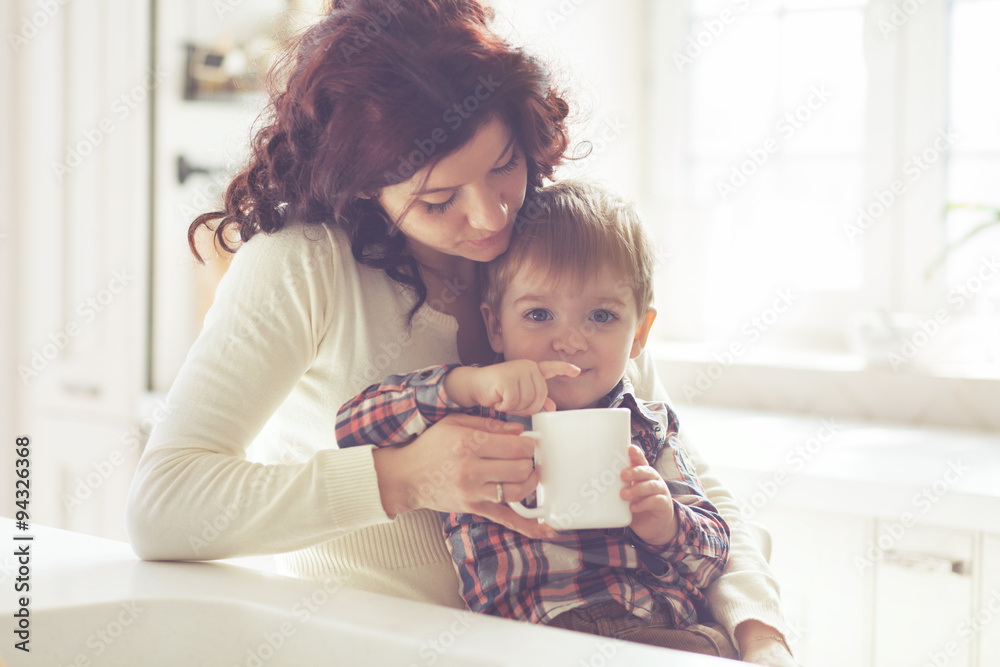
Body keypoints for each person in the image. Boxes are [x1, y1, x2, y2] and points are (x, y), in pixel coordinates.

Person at [125, 1, 795, 664]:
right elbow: (165, 504)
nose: (491, 215)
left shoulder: (553, 245)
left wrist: (759, 631)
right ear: (363, 187)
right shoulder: (304, 266)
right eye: (439, 201)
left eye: (504, 163)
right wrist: (403, 477)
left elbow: (690, 478)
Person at [335, 179, 736, 657]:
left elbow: (715, 555)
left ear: (639, 336)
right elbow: (353, 428)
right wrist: (464, 383)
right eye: (540, 315)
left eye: (602, 317)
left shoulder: (649, 427)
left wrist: (668, 523)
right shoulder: (477, 406)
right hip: (528, 640)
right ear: (494, 325)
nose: (570, 341)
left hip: (656, 633)